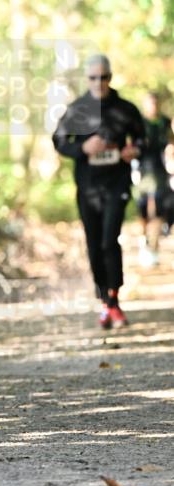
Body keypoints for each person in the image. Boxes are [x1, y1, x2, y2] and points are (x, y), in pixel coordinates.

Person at [52, 54, 145, 329]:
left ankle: (114, 299)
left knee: (109, 240)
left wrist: (134, 149)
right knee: (93, 246)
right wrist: (82, 148)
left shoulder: (126, 109)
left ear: (110, 77)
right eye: (93, 78)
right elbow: (58, 140)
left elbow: (142, 139)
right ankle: (104, 300)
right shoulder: (77, 109)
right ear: (87, 79)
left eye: (103, 77)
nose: (98, 82)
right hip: (88, 187)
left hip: (117, 184)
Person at [136, 92, 172, 267]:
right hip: (142, 170)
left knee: (158, 209)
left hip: (160, 170)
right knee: (143, 210)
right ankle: (145, 241)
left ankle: (154, 247)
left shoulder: (165, 122)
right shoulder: (139, 123)